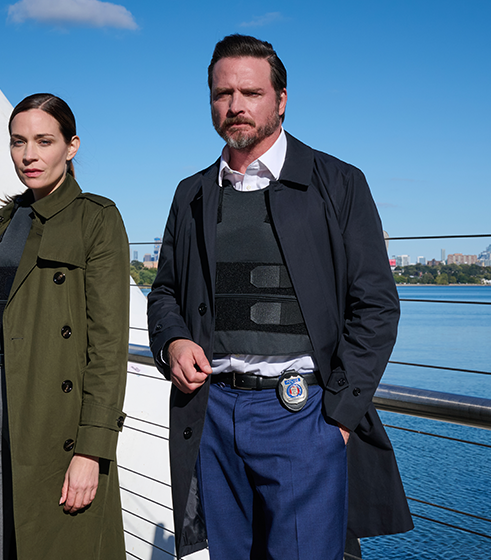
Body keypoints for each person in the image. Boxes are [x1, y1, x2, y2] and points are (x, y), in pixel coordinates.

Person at [147, 35, 413, 559]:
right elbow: (164, 294)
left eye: (251, 92)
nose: (236, 106)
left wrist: (336, 418)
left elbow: (376, 306)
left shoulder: (337, 183)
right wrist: (174, 342)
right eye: (223, 94)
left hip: (302, 414)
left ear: (282, 98)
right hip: (213, 412)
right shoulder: (192, 194)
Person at [0, 93, 130, 560]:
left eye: (43, 141)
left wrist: (91, 450)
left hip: (52, 411)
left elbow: (109, 347)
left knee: (45, 543)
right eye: (18, 142)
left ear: (71, 147)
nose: (29, 155)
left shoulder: (97, 219)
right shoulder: (8, 221)